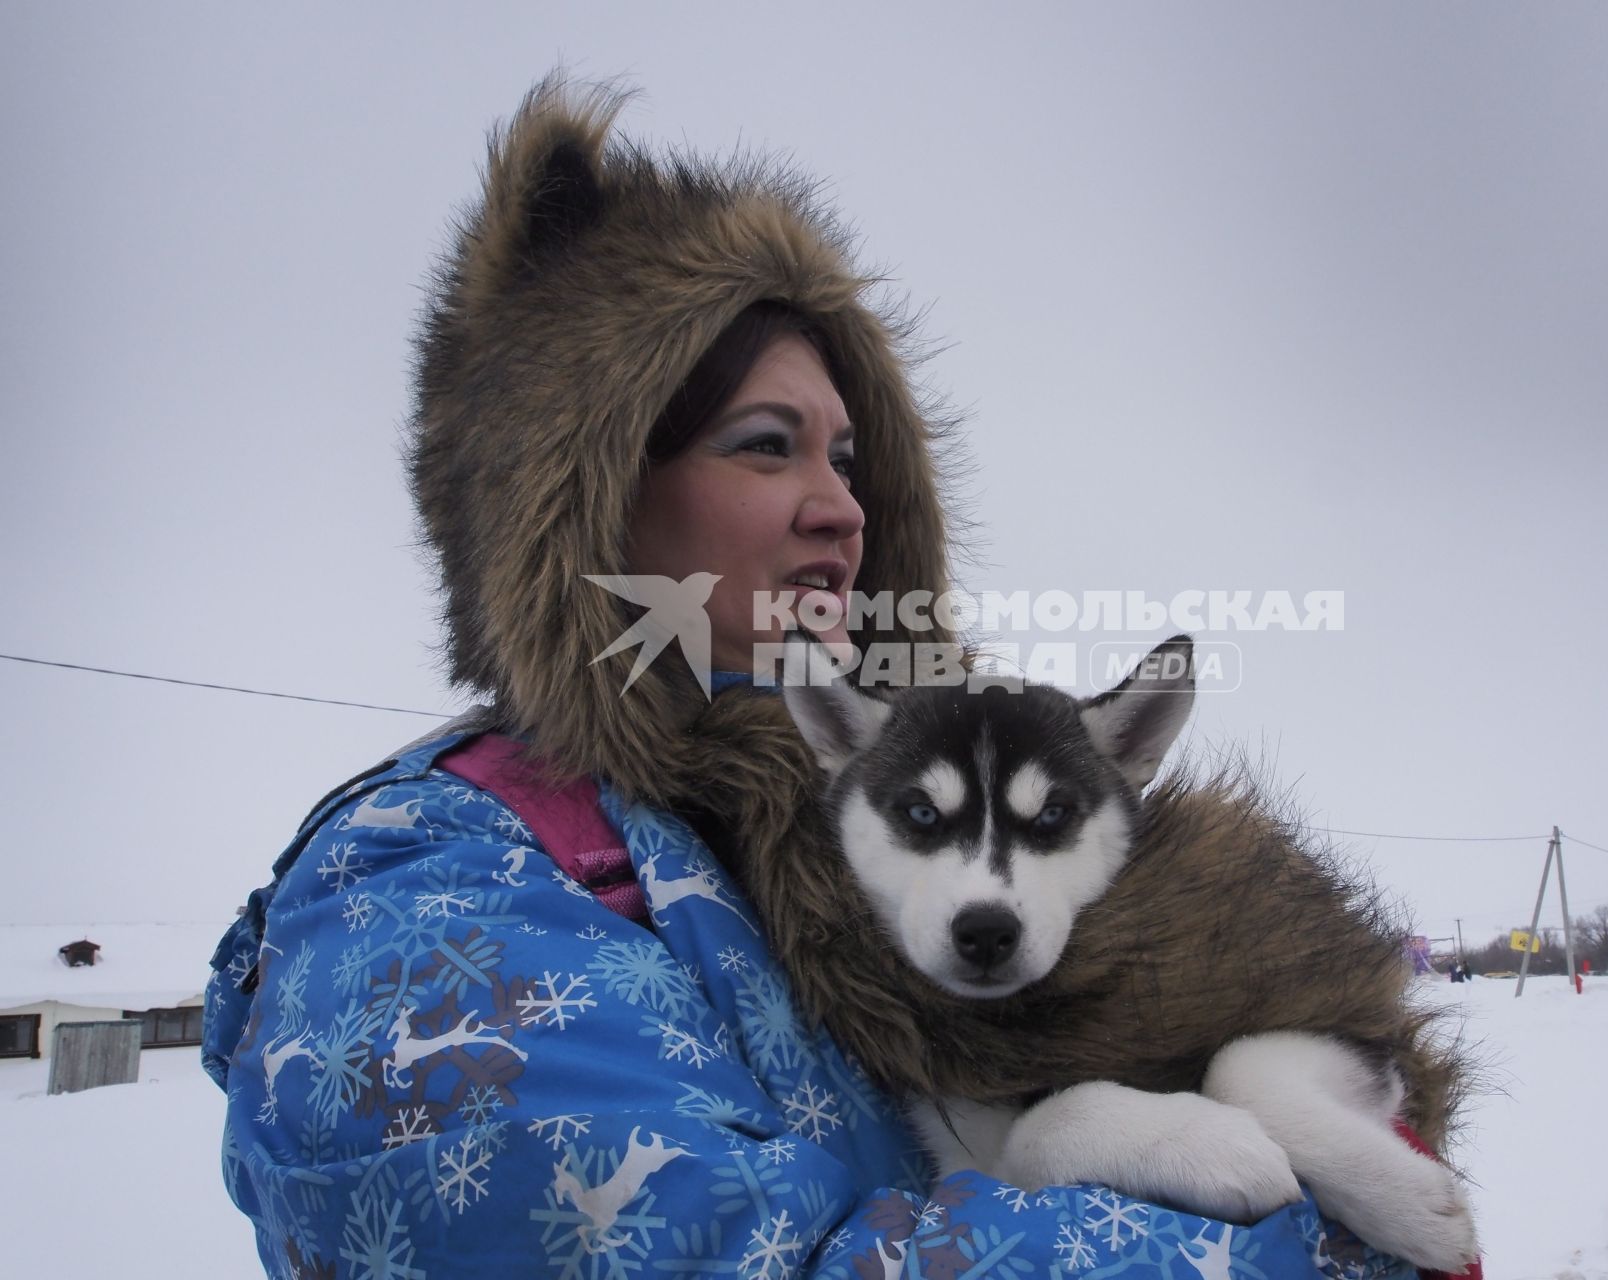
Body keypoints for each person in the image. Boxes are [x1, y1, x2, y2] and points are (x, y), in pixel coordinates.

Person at [201, 78, 1464, 1280]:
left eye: (853, 461)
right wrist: (1319, 1243)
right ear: (585, 499)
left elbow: (1273, 1056)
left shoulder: (882, 806)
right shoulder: (426, 878)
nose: (841, 511)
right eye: (767, 447)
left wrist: (1303, 1083)